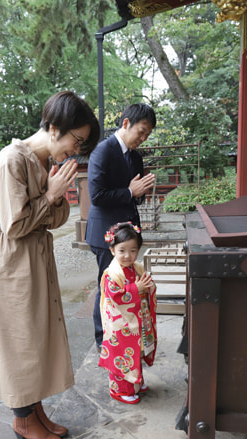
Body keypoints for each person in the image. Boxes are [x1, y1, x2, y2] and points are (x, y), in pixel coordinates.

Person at [0, 91, 100, 439]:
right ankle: (23, 419)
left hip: (29, 253)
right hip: (6, 259)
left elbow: (54, 218)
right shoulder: (12, 159)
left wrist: (56, 194)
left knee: (35, 332)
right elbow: (15, 225)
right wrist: (51, 194)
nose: (77, 150)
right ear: (55, 128)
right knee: (18, 338)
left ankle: (36, 411)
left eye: (82, 144)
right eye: (78, 140)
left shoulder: (44, 162)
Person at [85, 103, 156, 351]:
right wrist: (129, 191)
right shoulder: (103, 151)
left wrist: (139, 193)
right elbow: (97, 196)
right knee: (109, 284)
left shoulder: (135, 156)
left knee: (127, 282)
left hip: (129, 233)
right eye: (142, 131)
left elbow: (135, 196)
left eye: (148, 134)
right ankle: (103, 339)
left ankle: (124, 332)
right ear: (126, 123)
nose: (144, 138)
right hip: (107, 234)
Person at [98, 222, 157, 404]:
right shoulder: (112, 274)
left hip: (135, 321)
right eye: (122, 250)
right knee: (122, 356)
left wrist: (146, 287)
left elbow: (146, 287)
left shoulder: (136, 268)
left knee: (135, 351)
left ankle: (136, 383)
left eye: (133, 250)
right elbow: (115, 296)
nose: (128, 255)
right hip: (120, 324)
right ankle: (120, 390)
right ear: (112, 250)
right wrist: (135, 288)